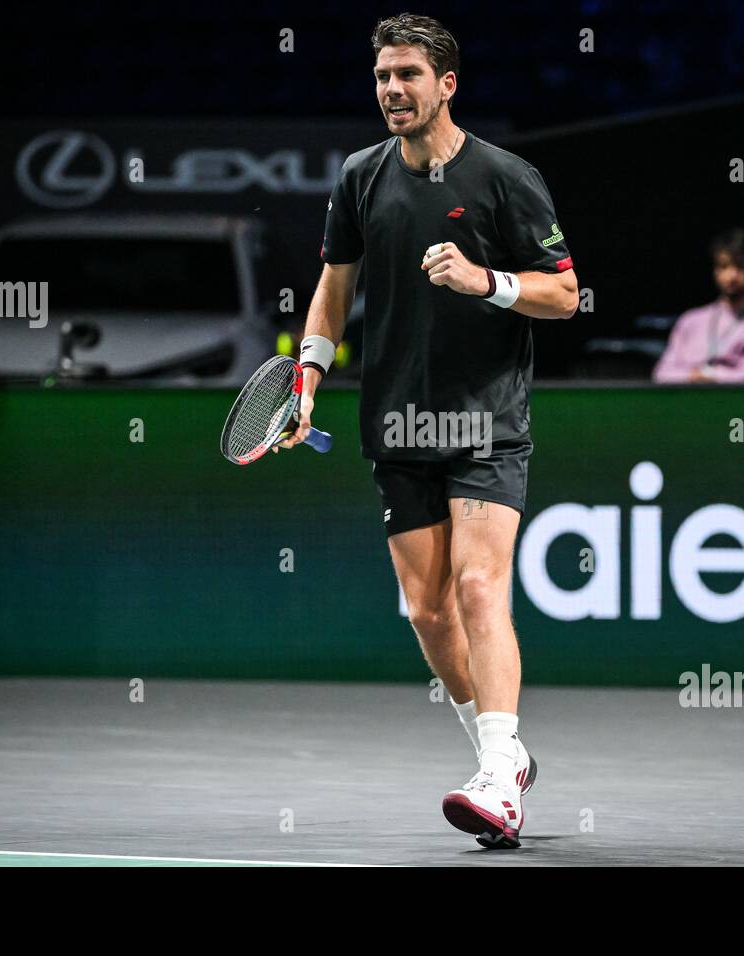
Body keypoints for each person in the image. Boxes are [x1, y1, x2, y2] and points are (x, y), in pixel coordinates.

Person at [284, 14, 578, 849]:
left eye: (409, 75)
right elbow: (334, 288)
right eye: (382, 76)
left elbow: (564, 294)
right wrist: (308, 374)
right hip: (396, 421)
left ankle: (496, 780)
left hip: (487, 418)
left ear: (446, 84)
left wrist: (485, 281)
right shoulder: (359, 176)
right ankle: (503, 755)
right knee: (426, 610)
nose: (392, 90)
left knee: (482, 588)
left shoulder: (506, 177)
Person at [654, 229, 744, 382]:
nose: (731, 276)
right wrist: (693, 377)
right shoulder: (690, 320)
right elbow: (663, 372)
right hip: (686, 399)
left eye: (740, 267)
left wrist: (711, 376)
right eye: (723, 267)